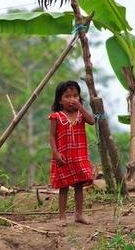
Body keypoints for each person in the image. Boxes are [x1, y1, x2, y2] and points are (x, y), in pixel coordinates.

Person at [48, 80, 95, 226]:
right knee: (64, 187)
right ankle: (62, 217)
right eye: (67, 96)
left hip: (79, 157)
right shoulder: (57, 117)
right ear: (60, 101)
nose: (72, 99)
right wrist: (55, 153)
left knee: (79, 186)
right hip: (63, 157)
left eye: (75, 96)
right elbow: (52, 136)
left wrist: (81, 107)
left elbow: (92, 121)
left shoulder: (81, 115)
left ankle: (79, 214)